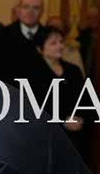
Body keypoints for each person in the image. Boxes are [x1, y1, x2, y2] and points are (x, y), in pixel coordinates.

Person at [31, 26, 90, 158]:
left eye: (61, 42)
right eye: (53, 43)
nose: (60, 46)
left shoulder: (73, 70)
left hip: (75, 135)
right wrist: (63, 121)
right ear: (40, 49)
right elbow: (35, 105)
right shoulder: (33, 73)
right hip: (45, 135)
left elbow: (85, 99)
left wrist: (80, 118)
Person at [1, 0, 45, 86]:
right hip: (11, 88)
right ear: (19, 10)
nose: (30, 11)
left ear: (42, 12)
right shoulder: (3, 34)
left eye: (36, 8)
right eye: (26, 7)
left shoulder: (48, 37)